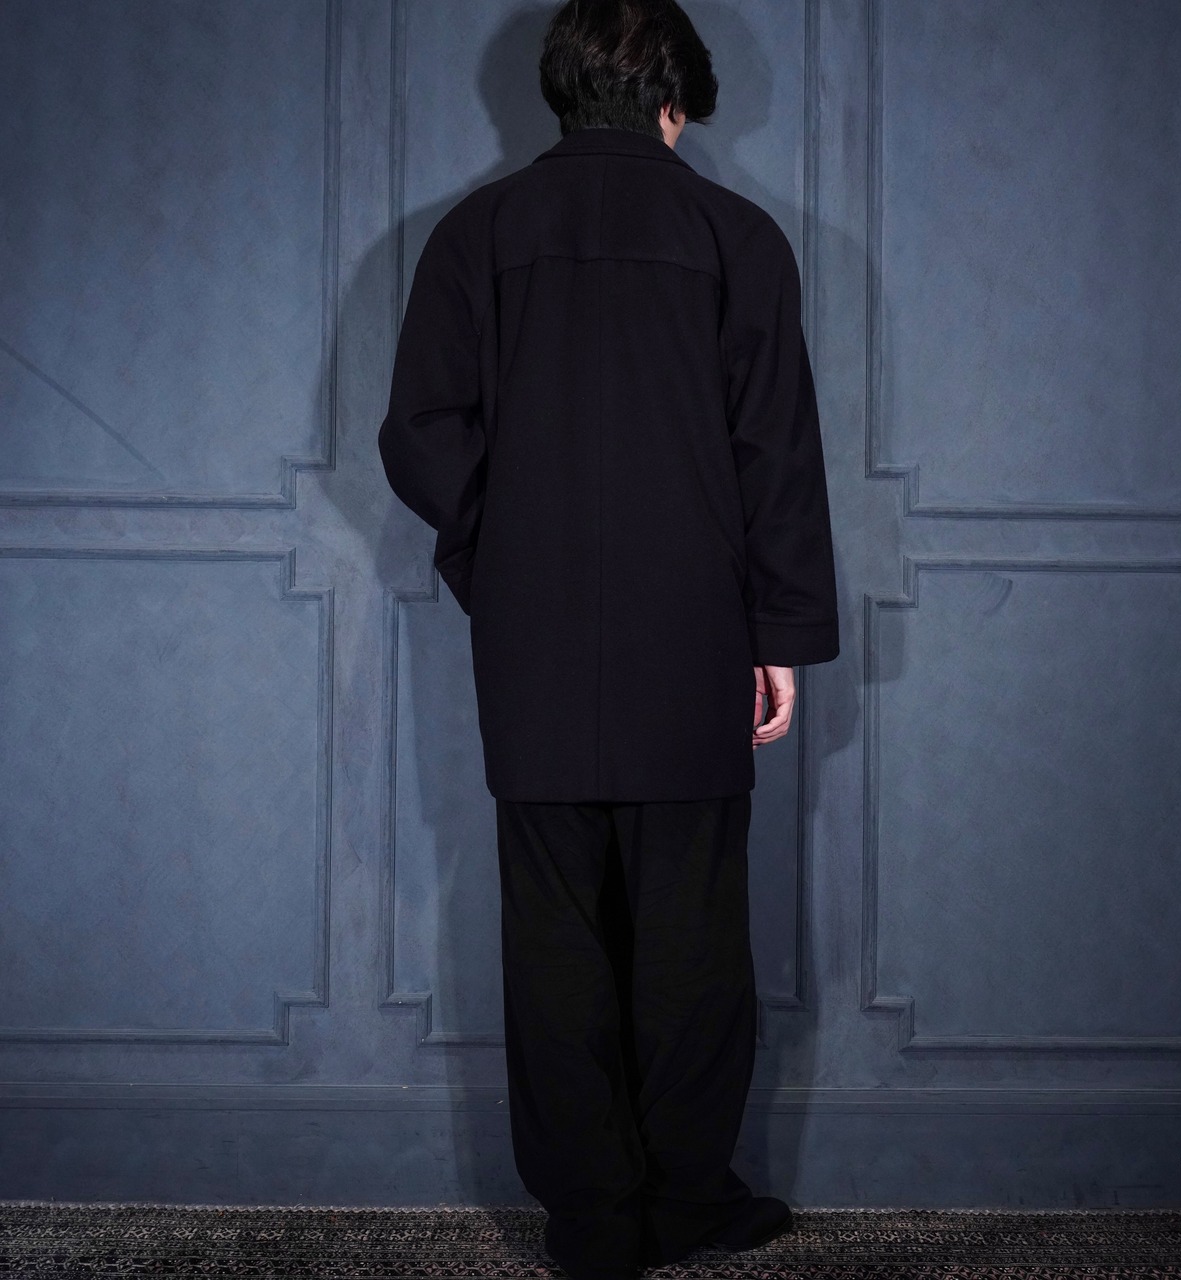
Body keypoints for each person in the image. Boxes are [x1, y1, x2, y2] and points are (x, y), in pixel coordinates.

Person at [378, 1, 840, 1276]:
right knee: (691, 932)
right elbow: (774, 452)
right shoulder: (736, 237)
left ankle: (589, 1221)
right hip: (695, 632)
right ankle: (685, 1202)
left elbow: (419, 430)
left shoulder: (476, 234)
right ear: (673, 100)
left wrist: (501, 550)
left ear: (556, 89)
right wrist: (778, 632)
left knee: (553, 930)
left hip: (532, 639)